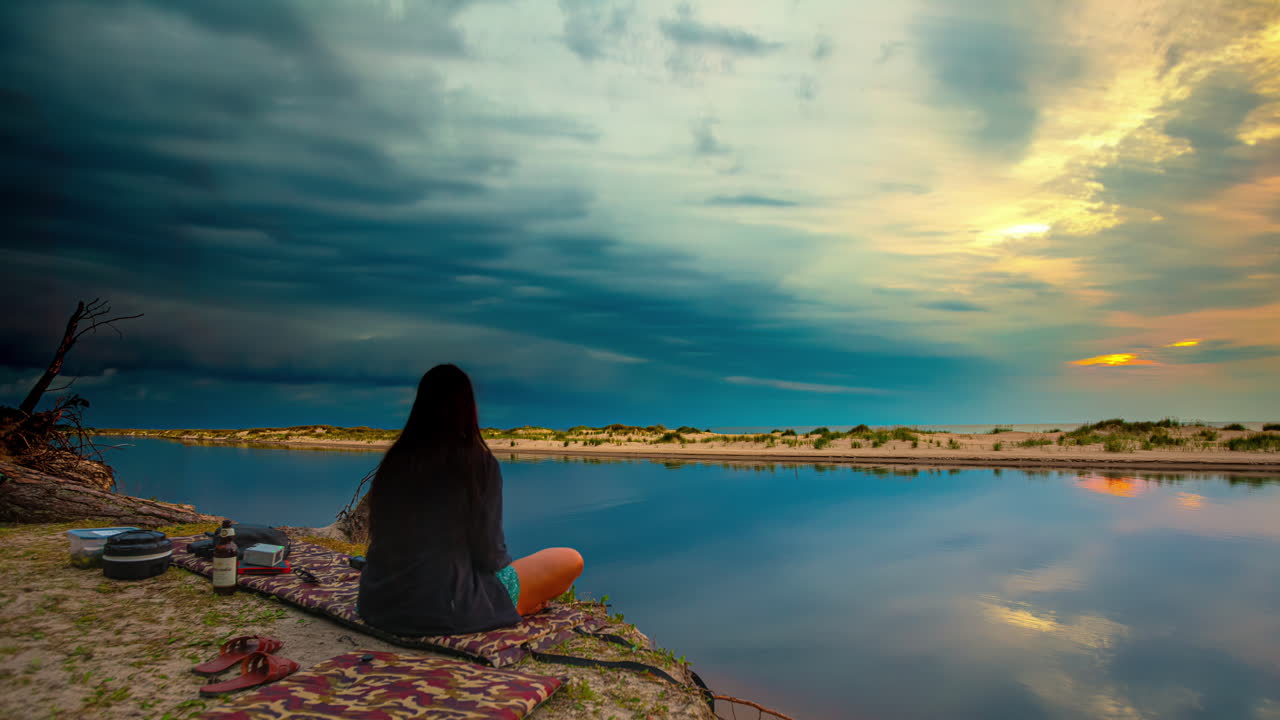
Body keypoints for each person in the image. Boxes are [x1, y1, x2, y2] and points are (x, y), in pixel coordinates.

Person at [357, 364, 584, 636]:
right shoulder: (476, 463)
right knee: (570, 559)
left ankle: (513, 604)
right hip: (446, 608)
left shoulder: (394, 461)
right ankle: (516, 608)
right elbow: (491, 556)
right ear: (468, 407)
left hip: (378, 603)